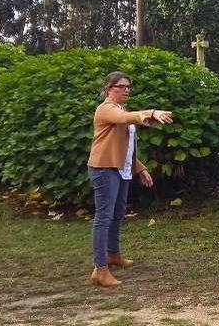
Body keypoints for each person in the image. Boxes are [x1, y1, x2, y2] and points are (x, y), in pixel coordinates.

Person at [87, 71, 173, 287]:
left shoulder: (121, 109)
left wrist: (140, 168)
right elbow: (124, 119)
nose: (126, 90)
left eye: (128, 87)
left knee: (117, 214)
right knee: (104, 216)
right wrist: (151, 112)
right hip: (104, 168)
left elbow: (125, 147)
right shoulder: (106, 109)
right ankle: (100, 269)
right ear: (109, 89)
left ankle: (113, 255)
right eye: (121, 86)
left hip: (121, 169)